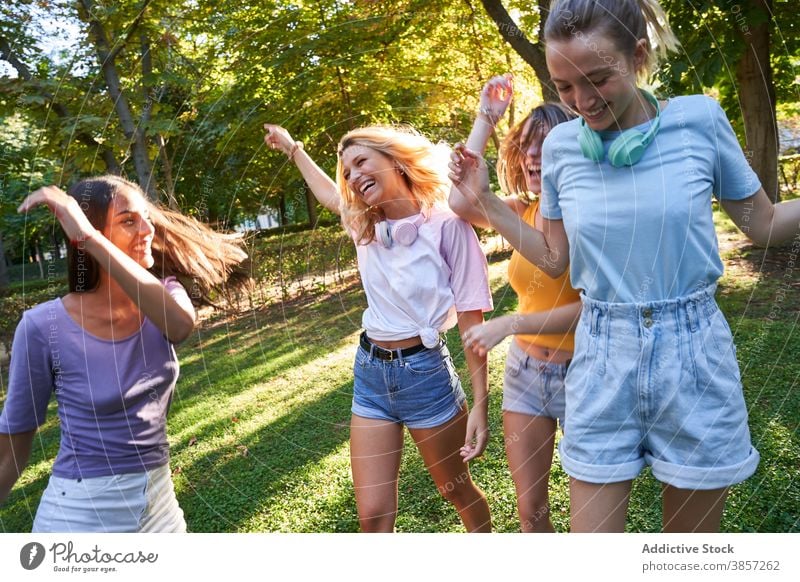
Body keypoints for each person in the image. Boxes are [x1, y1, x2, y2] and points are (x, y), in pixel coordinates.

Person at [449, 0, 800, 533]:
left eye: (598, 79)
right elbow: (553, 256)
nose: (582, 101)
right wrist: (490, 203)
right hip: (602, 351)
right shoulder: (565, 145)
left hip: (693, 350)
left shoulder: (698, 121)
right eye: (565, 86)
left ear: (637, 57)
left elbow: (765, 224)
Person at [263, 123, 493, 532]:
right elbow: (329, 196)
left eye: (361, 162)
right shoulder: (364, 225)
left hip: (425, 376)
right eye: (346, 170)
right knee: (372, 515)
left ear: (395, 162)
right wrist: (293, 148)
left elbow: (472, 324)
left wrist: (480, 403)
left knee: (455, 490)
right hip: (370, 374)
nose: (352, 176)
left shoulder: (449, 226)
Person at [0, 176, 247, 532]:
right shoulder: (42, 327)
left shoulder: (166, 295)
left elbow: (179, 326)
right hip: (80, 517)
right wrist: (87, 237)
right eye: (128, 220)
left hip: (159, 508)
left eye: (146, 217)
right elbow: (12, 446)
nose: (147, 229)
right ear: (86, 233)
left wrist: (90, 237)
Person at [449, 75, 581, 532]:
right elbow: (459, 201)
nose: (531, 156)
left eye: (544, 145)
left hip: (585, 371)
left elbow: (594, 308)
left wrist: (510, 323)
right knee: (530, 513)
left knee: (591, 523)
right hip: (526, 374)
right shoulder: (519, 211)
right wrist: (485, 118)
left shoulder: (591, 214)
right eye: (526, 145)